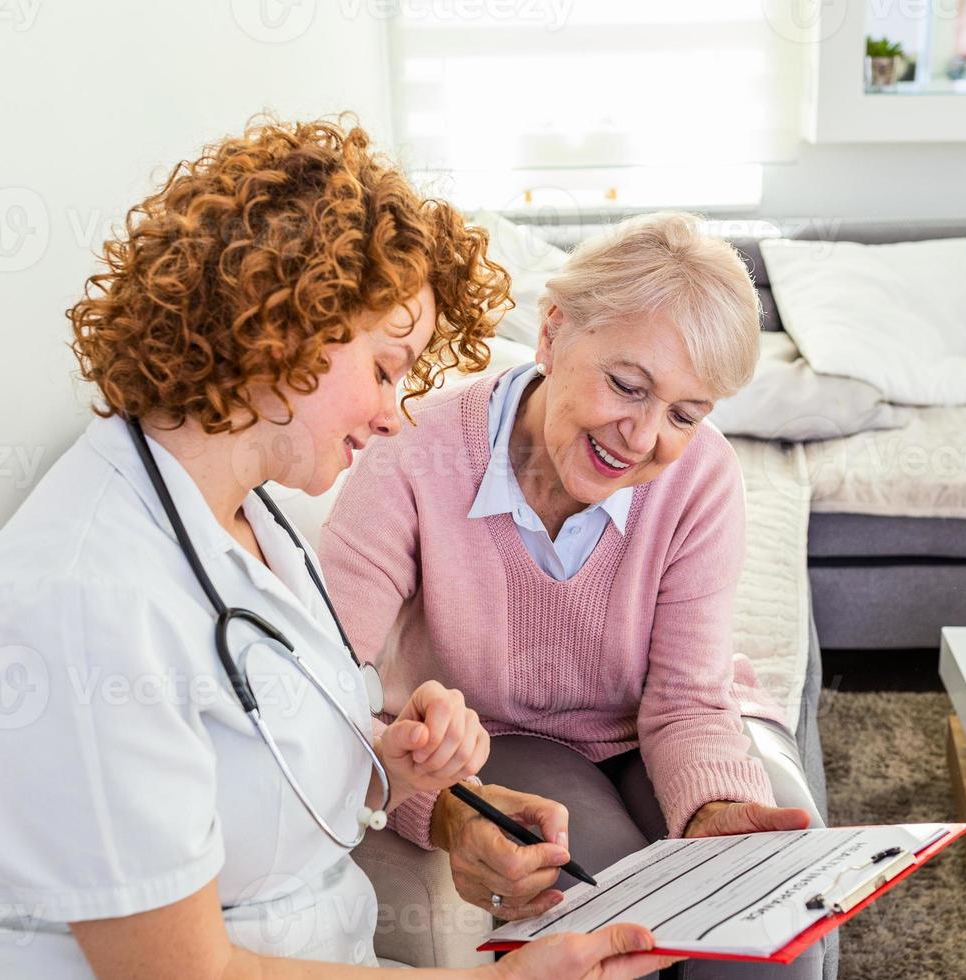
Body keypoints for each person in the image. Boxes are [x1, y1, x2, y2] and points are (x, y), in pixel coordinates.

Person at [0, 116, 680, 980]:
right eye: (388, 368)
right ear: (279, 325)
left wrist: (409, 775)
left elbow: (261, 776)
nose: (398, 413)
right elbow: (178, 974)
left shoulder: (253, 522)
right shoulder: (72, 601)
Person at [319, 212, 836, 979]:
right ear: (553, 333)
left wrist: (713, 810)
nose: (642, 437)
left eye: (684, 415)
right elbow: (320, 702)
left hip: (678, 718)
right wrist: (446, 812)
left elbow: (688, 700)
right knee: (618, 924)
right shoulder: (411, 458)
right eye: (627, 386)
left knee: (778, 932)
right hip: (507, 734)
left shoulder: (700, 479)